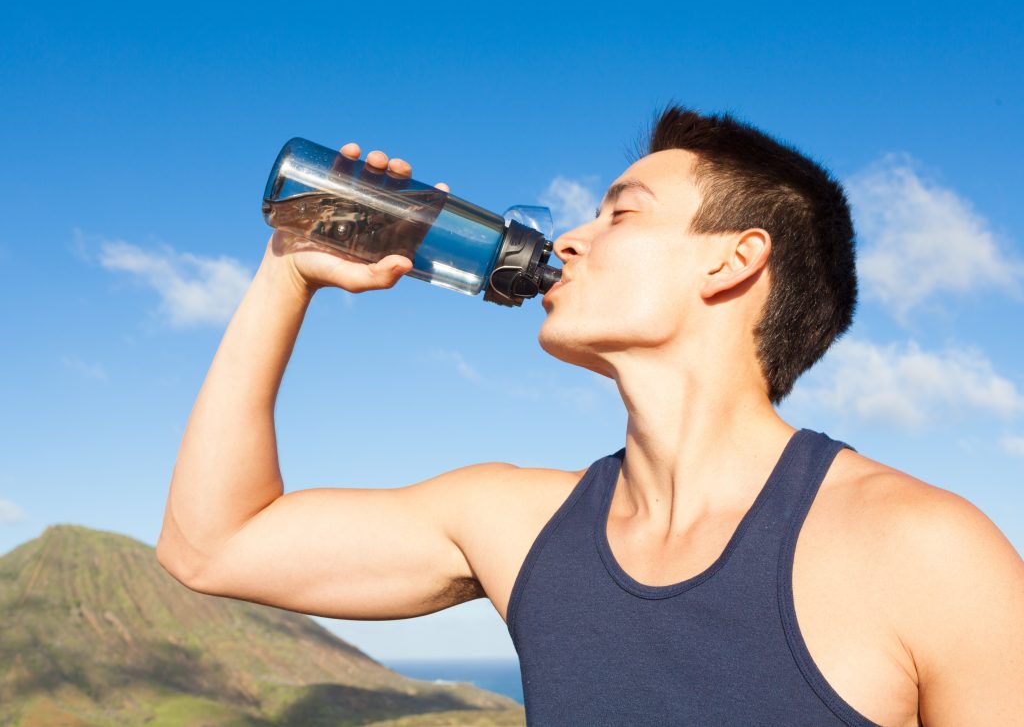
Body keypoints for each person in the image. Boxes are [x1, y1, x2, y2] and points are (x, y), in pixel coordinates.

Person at [157, 106, 1024, 726]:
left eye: (621, 213)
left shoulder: (929, 551)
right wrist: (288, 273)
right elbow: (209, 544)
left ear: (734, 260)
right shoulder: (516, 523)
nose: (568, 239)